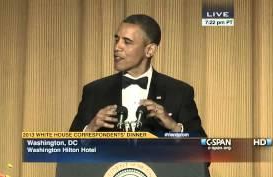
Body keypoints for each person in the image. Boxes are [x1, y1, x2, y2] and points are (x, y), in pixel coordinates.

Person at [70, 14, 207, 137]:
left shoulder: (179, 93)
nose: (117, 47)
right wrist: (90, 129)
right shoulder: (94, 91)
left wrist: (174, 127)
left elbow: (203, 154)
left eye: (127, 42)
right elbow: (67, 153)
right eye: (116, 40)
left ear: (149, 50)